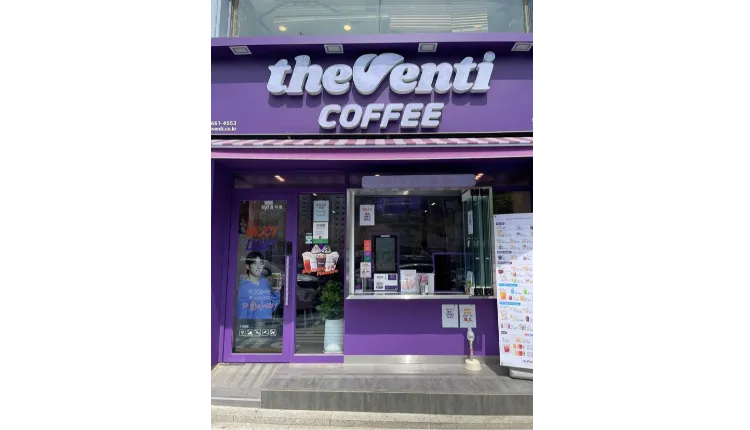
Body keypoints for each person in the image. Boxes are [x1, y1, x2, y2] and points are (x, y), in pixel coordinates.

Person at [236, 252, 281, 319]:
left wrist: (276, 292)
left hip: (266, 324)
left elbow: (271, 307)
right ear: (247, 266)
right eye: (255, 263)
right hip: (251, 324)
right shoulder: (242, 287)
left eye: (261, 263)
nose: (259, 267)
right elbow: (241, 314)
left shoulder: (265, 283)